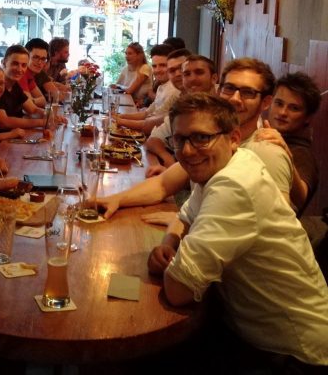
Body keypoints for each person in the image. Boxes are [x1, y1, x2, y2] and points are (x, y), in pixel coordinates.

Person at [149, 93, 328, 369]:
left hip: (291, 353)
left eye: (201, 137)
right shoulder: (229, 162)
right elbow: (184, 218)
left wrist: (169, 262)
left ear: (233, 138)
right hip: (246, 329)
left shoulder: (234, 185)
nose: (186, 151)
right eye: (180, 139)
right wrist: (168, 243)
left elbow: (179, 290)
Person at [100, 57, 297, 218]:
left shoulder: (266, 149)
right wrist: (115, 199)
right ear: (220, 90)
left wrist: (186, 223)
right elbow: (162, 184)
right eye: (229, 88)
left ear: (266, 102)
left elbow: (277, 228)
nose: (235, 99)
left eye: (247, 92)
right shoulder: (212, 138)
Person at [256, 71, 321, 214]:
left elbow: (301, 198)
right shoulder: (263, 132)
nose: (283, 112)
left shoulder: (302, 153)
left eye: (294, 108)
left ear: (307, 117)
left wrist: (286, 154)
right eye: (279, 103)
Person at [114, 45, 182, 134]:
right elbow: (146, 113)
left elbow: (151, 124)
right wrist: (119, 116)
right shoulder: (161, 86)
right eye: (154, 66)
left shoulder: (173, 90)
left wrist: (119, 120)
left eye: (163, 65)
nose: (157, 70)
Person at [0, 45, 48, 131]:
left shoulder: (15, 85)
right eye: (15, 64)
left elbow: (33, 109)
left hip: (16, 135)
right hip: (2, 138)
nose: (19, 69)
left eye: (24, 65)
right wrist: (43, 122)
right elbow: (4, 122)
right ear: (3, 63)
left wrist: (51, 115)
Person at [21, 38, 58, 106]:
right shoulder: (21, 74)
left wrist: (32, 101)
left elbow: (43, 100)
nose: (39, 62)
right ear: (26, 56)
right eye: (35, 57)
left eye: (43, 59)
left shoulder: (31, 75)